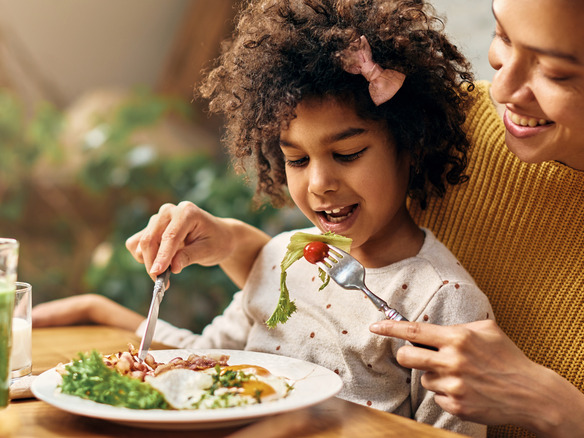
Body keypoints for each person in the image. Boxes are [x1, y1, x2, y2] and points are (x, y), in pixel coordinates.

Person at [121, 0, 584, 437]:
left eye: (554, 70)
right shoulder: (438, 119)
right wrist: (238, 246)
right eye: (503, 38)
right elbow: (313, 310)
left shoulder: (444, 283)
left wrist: (555, 406)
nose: (503, 89)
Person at [33, 0, 495, 435]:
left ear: (410, 144)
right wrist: (104, 314)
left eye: (348, 153)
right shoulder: (283, 259)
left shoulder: (442, 302)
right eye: (296, 160)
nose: (318, 184)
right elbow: (209, 363)